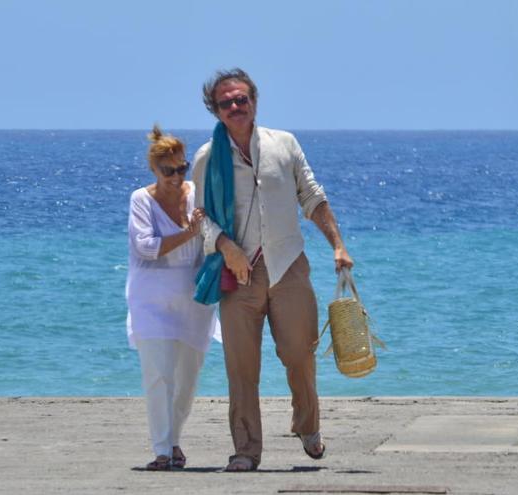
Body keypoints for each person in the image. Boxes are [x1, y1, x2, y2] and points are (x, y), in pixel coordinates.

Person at [192, 68, 353, 472]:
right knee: (242, 368)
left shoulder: (284, 143)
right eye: (226, 102)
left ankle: (308, 426)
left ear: (254, 101)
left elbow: (312, 196)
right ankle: (246, 450)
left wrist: (337, 244)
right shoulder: (207, 158)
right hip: (239, 274)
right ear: (216, 110)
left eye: (241, 98)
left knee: (299, 354)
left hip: (288, 266)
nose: (235, 106)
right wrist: (226, 247)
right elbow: (197, 217)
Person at [126, 125, 221, 471]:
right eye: (168, 171)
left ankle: (175, 439)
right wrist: (188, 233)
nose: (176, 176)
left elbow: (216, 232)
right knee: (158, 374)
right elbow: (147, 247)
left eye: (181, 168)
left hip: (194, 300)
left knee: (186, 379)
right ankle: (162, 449)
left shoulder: (196, 194)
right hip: (151, 300)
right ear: (154, 169)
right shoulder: (141, 199)